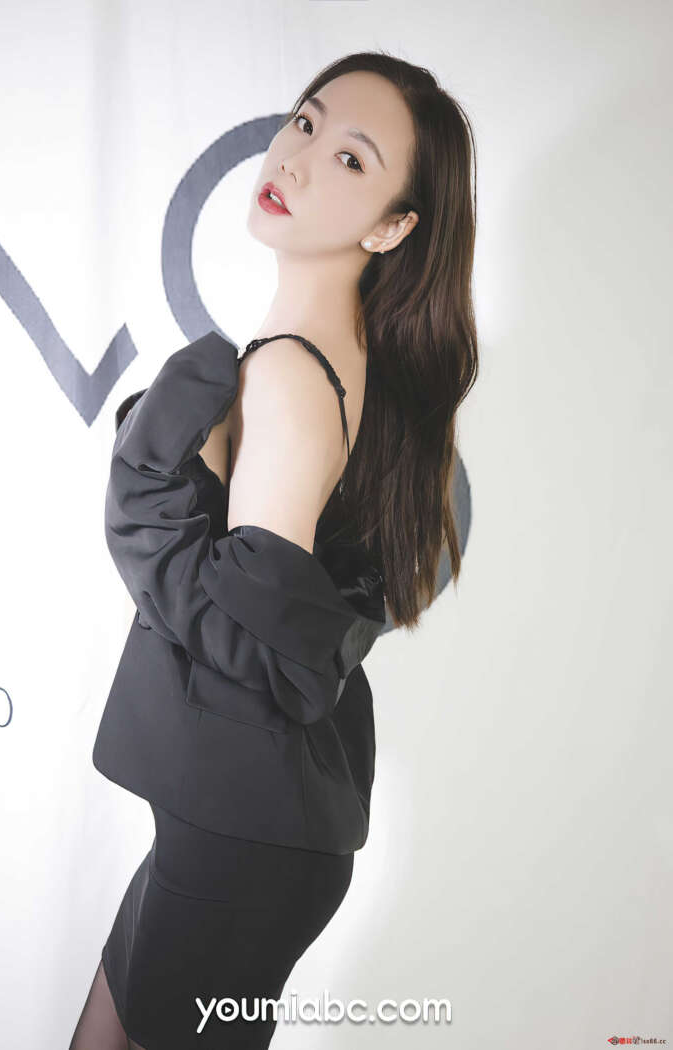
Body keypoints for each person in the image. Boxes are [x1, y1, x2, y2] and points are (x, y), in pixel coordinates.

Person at [69, 49, 478, 1050]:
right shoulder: (329, 362)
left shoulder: (292, 377)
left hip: (238, 842)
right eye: (305, 122)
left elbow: (263, 650)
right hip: (234, 826)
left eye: (350, 158)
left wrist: (146, 513)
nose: (296, 157)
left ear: (392, 227)